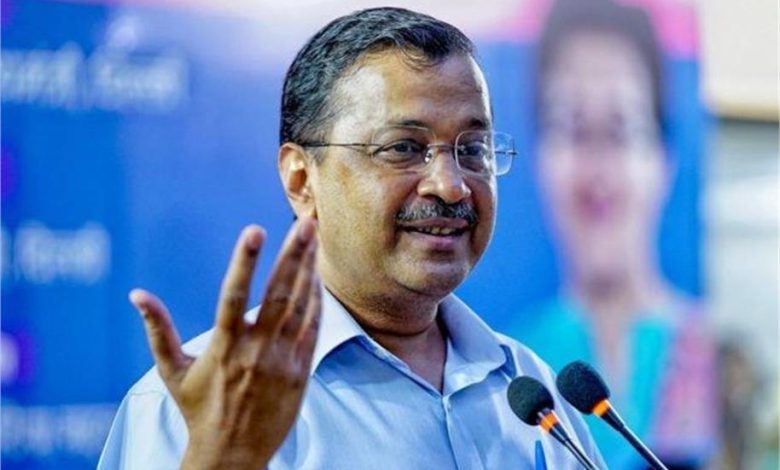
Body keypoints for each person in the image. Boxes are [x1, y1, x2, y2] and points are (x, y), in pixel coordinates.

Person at [98, 7, 604, 470]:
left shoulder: (530, 389)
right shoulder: (210, 407)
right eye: (403, 148)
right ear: (302, 180)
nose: (451, 186)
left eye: (472, 149)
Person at [505, 0, 719, 468]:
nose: (596, 169)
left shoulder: (716, 354)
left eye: (620, 129)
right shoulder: (509, 369)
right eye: (572, 128)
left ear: (664, 159)